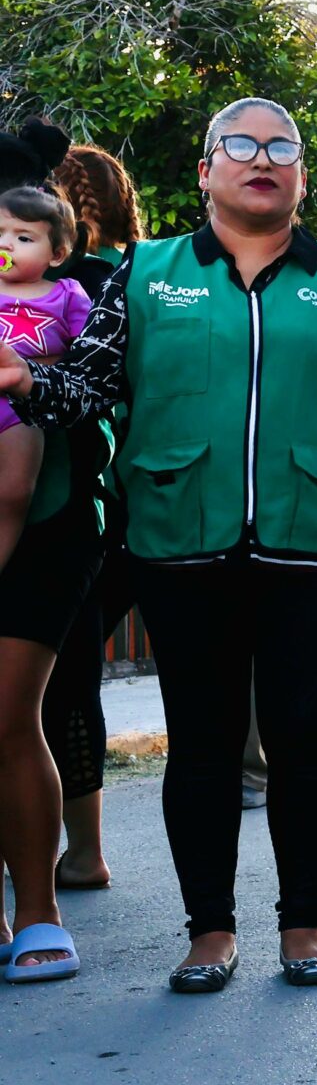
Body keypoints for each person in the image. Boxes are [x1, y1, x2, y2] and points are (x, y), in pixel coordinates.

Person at [1, 98, 317, 992]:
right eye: (239, 144)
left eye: (281, 146)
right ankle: (209, 931)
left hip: (315, 545)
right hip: (177, 540)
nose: (260, 158)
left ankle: (303, 926)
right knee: (201, 740)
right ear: (205, 171)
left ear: (300, 175)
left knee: (304, 738)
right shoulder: (147, 274)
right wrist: (29, 380)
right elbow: (89, 383)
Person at [0, 181, 96, 981]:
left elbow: (97, 390)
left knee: (7, 714)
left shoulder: (73, 299)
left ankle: (37, 910)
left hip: (44, 519)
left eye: (23, 233)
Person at [44, 142, 142, 897]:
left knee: (61, 681)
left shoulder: (68, 290)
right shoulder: (140, 276)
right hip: (134, 509)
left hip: (78, 503)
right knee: (73, 679)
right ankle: (81, 848)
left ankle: (80, 850)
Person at [0, 185, 89, 574]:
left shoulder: (67, 294)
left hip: (24, 409)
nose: (7, 245)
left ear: (56, 254)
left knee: (15, 491)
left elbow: (90, 356)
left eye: (23, 237)